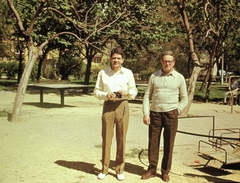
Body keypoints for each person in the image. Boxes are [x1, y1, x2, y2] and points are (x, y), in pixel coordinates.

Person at [141, 51, 188, 182]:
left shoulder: (179, 77)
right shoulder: (154, 76)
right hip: (155, 114)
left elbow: (185, 98)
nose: (167, 63)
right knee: (153, 143)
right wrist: (146, 113)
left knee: (169, 144)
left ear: (174, 63)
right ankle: (151, 169)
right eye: (165, 61)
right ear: (161, 62)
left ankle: (165, 171)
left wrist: (177, 110)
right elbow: (146, 96)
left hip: (171, 114)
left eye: (170, 61)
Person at [94, 47, 138, 181]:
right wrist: (105, 94)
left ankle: (119, 169)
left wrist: (128, 93)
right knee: (106, 139)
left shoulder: (128, 73)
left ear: (122, 60)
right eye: (114, 58)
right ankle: (105, 169)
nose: (116, 60)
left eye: (119, 58)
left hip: (122, 106)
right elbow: (96, 91)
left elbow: (134, 90)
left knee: (121, 139)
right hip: (108, 106)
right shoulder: (103, 73)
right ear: (110, 59)